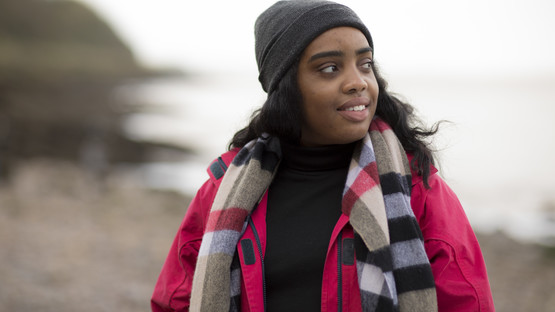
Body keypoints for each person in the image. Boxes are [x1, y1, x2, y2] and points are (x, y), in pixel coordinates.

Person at [151, 1, 495, 311]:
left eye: (365, 64)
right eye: (330, 68)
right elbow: (174, 301)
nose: (358, 82)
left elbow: (467, 303)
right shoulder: (222, 188)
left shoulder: (416, 189)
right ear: (285, 88)